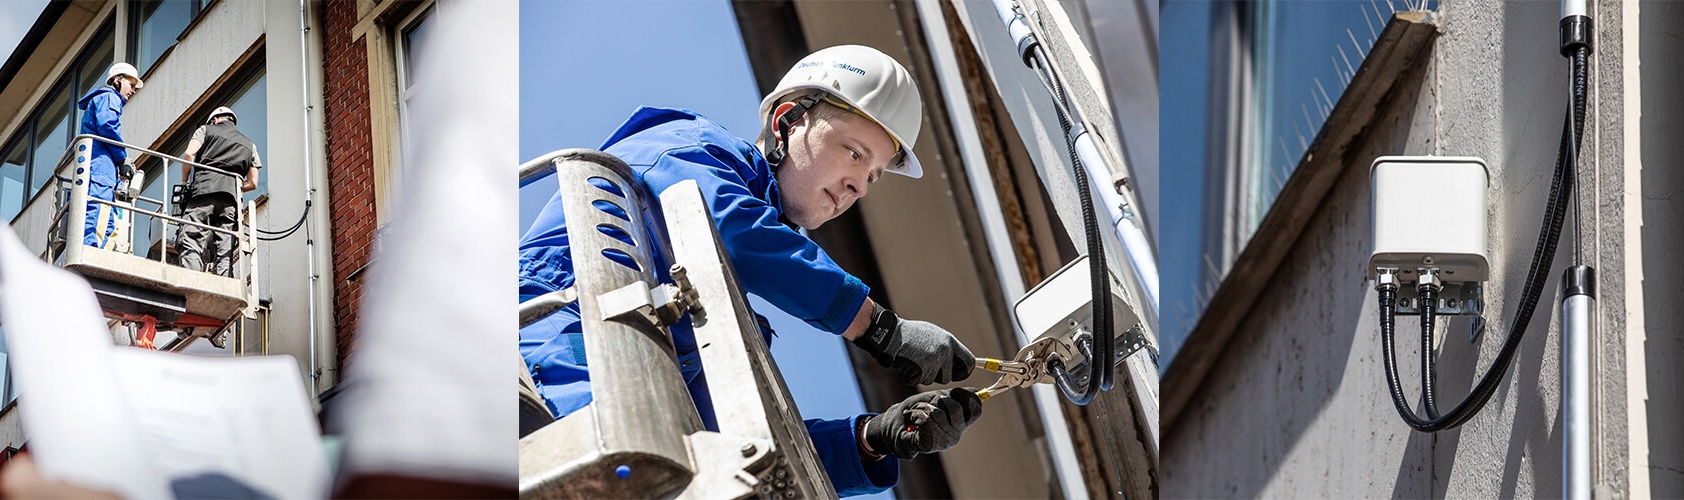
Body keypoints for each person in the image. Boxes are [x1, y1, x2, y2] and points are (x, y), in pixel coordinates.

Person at [519, 45, 982, 496]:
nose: (858, 185)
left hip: (626, 398)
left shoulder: (705, 308)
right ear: (787, 121)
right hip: (556, 339)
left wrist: (874, 439)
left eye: (874, 176)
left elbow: (744, 451)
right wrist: (879, 328)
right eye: (855, 153)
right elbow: (734, 228)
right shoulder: (691, 145)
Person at [177, 106, 261, 278]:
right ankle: (224, 282)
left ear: (214, 120)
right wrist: (234, 185)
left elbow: (189, 154)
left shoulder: (205, 130)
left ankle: (190, 279)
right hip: (230, 201)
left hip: (203, 192)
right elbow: (253, 183)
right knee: (225, 246)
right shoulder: (250, 145)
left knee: (192, 237)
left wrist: (185, 183)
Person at [75, 62, 142, 249]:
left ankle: (99, 252)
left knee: (110, 224)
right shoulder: (108, 96)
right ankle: (91, 250)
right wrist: (122, 159)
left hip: (102, 165)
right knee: (99, 210)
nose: (133, 90)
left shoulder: (104, 98)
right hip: (100, 166)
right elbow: (107, 125)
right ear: (117, 80)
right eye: (131, 84)